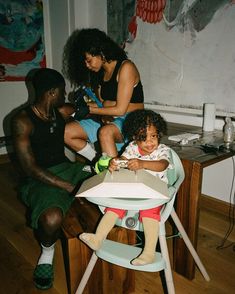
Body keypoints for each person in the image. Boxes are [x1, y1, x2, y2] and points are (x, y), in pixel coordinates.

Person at [11, 68, 91, 290]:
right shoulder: (22, 121)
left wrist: (87, 105)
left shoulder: (60, 111)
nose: (64, 95)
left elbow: (78, 109)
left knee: (104, 176)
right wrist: (68, 186)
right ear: (52, 93)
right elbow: (29, 168)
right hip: (38, 178)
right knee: (52, 219)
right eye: (63, 91)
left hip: (67, 168)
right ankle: (47, 252)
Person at [79, 109, 173, 266]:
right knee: (113, 207)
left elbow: (162, 165)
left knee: (149, 213)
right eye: (144, 138)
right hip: (134, 189)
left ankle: (149, 252)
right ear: (135, 137)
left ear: (159, 134)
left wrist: (143, 163)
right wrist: (115, 162)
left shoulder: (162, 150)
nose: (150, 142)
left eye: (153, 136)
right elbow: (123, 158)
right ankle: (98, 238)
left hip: (154, 193)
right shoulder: (132, 147)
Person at [62, 28, 144, 162]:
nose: (86, 65)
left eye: (88, 60)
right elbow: (104, 104)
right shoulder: (100, 73)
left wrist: (89, 109)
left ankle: (114, 176)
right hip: (109, 119)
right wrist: (83, 104)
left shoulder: (126, 67)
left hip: (130, 122)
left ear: (100, 52)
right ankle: (97, 161)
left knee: (105, 132)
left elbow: (120, 109)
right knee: (66, 132)